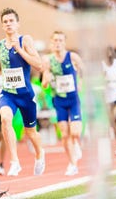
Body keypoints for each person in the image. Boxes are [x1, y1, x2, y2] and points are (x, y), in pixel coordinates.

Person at [0, 7, 45, 177]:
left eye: (11, 21)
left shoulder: (25, 40)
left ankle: (40, 154)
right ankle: (14, 161)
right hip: (8, 94)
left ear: (17, 23)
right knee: (5, 119)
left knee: (31, 132)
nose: (8, 24)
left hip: (26, 95)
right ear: (2, 26)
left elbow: (39, 65)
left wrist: (19, 50)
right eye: (5, 22)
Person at [42, 31, 84, 176]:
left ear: (64, 42)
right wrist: (46, 80)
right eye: (55, 40)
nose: (58, 43)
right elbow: (44, 83)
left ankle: (77, 143)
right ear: (51, 43)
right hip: (59, 101)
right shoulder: (48, 60)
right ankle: (73, 164)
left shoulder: (72, 56)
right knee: (65, 135)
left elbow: (83, 69)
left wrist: (81, 80)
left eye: (60, 40)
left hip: (73, 100)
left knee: (75, 133)